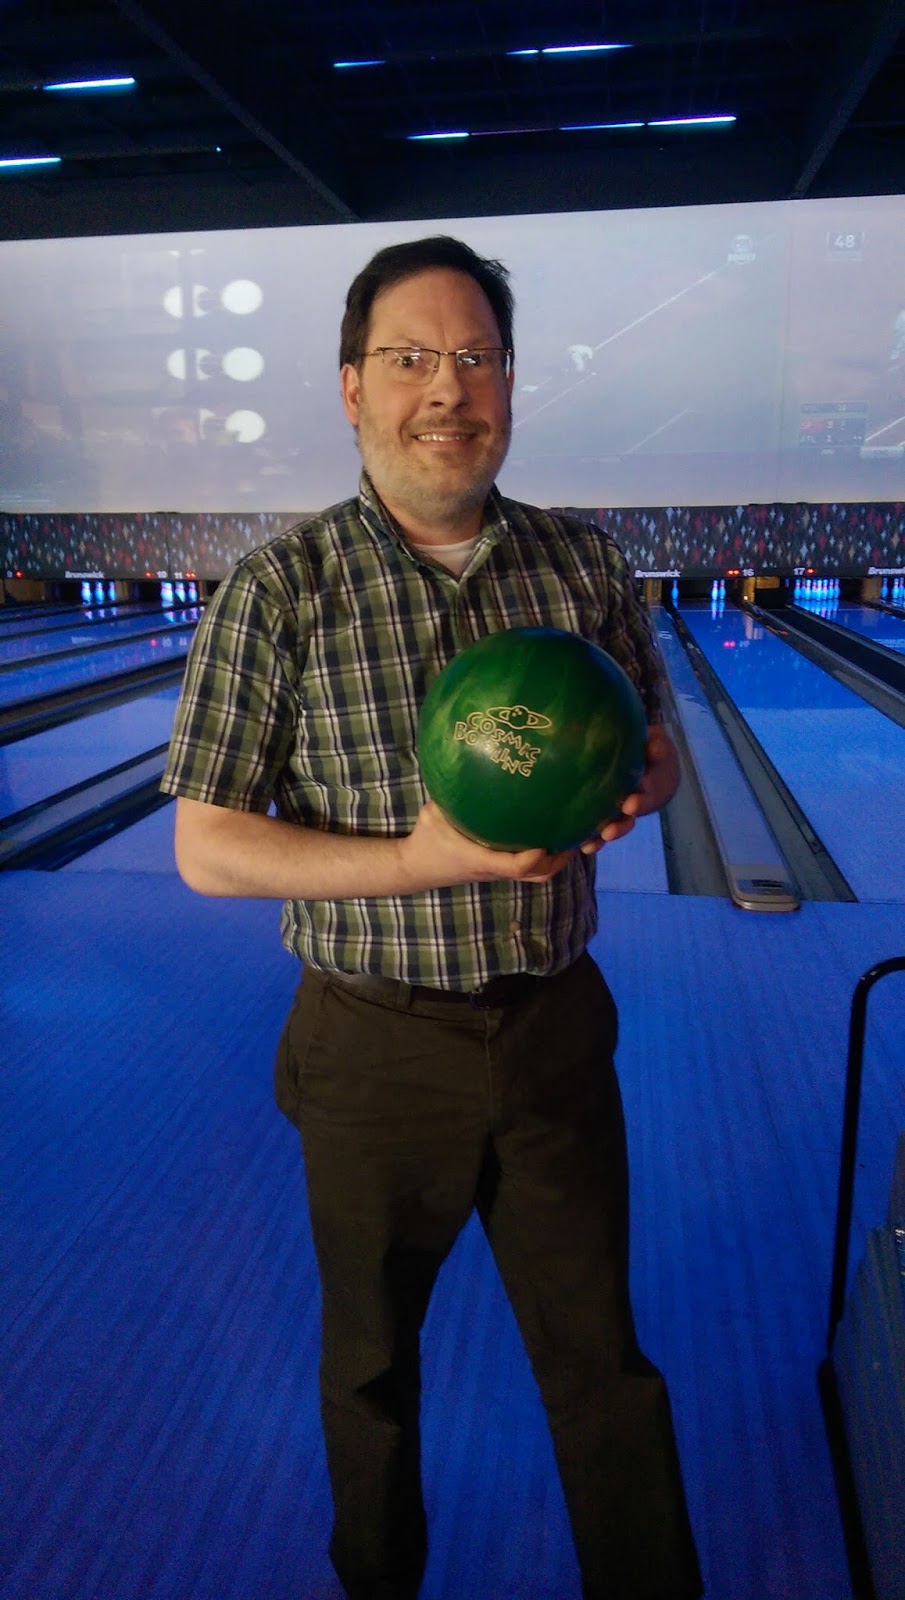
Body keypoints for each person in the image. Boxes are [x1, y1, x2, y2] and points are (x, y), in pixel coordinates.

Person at [161, 234, 703, 1600]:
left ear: (509, 384)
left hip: (554, 1031)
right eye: (410, 357)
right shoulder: (278, 589)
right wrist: (424, 857)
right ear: (353, 386)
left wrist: (631, 788)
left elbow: (663, 751)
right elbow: (207, 848)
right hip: (370, 1050)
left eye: (475, 357)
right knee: (371, 1372)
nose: (446, 387)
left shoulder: (583, 566)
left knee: (603, 1365)